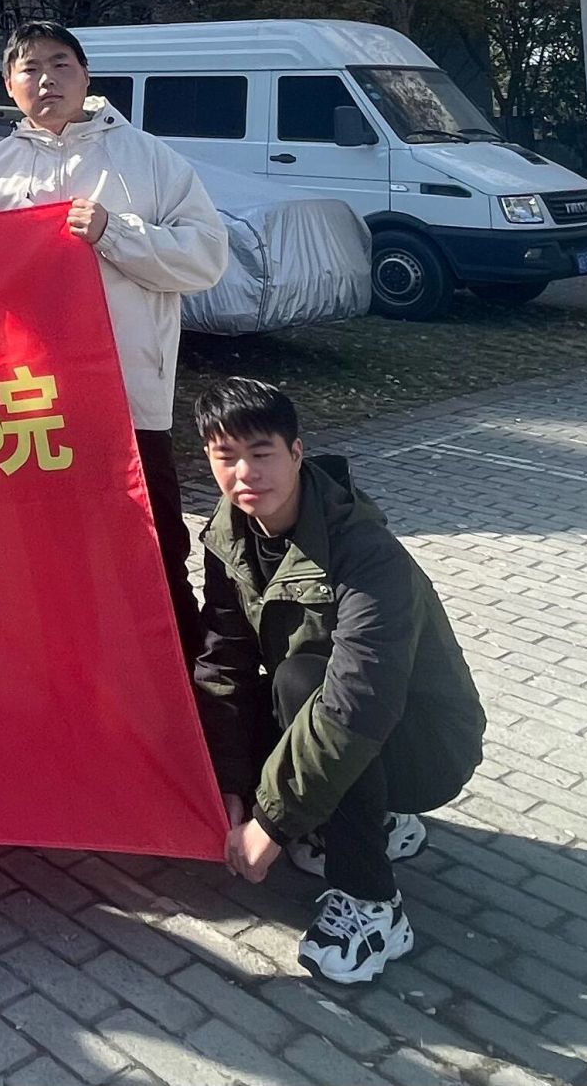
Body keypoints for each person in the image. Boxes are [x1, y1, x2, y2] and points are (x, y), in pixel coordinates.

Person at [191, 377, 485, 985]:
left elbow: (358, 701)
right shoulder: (230, 537)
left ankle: (374, 904)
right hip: (347, 719)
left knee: (304, 681)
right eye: (226, 456)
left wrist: (271, 823)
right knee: (276, 687)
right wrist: (231, 786)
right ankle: (361, 822)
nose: (245, 474)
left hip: (427, 745)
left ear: (297, 452)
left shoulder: (365, 550)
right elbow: (224, 664)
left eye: (262, 453)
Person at [0, 20, 228, 659]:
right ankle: (67, 678)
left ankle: (180, 684)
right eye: (29, 68)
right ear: (9, 85)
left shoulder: (148, 159)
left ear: (86, 76)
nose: (46, 80)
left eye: (61, 64)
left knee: (153, 549)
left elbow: (207, 259)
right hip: (29, 406)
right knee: (46, 553)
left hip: (128, 400)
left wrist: (115, 231)